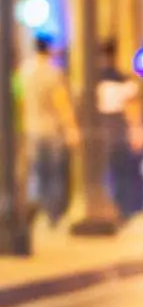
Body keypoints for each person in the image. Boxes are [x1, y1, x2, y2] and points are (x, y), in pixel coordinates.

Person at [18, 37, 79, 228]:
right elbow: (61, 103)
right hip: (51, 131)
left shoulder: (24, 73)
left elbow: (21, 103)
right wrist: (71, 128)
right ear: (49, 50)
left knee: (36, 173)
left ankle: (34, 211)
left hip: (31, 129)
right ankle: (53, 216)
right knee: (53, 174)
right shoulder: (53, 73)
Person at [95, 40, 143, 219]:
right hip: (119, 129)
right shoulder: (124, 81)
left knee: (111, 172)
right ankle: (123, 208)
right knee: (122, 172)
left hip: (105, 130)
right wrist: (137, 130)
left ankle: (117, 207)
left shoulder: (96, 84)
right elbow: (133, 109)